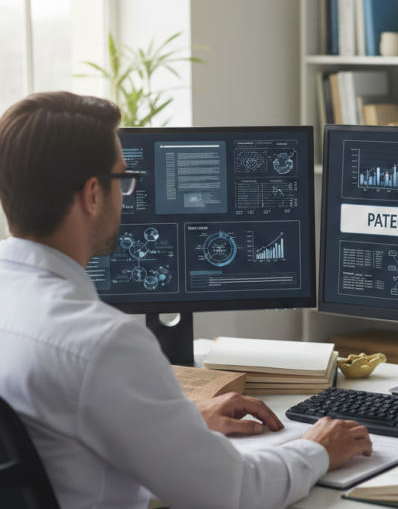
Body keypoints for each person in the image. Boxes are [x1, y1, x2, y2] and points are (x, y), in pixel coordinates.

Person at [0, 92, 372, 509]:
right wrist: (317, 447)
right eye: (122, 180)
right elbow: (233, 493)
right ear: (91, 194)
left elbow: (63, 427)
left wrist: (182, 424)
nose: (125, 196)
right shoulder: (104, 343)